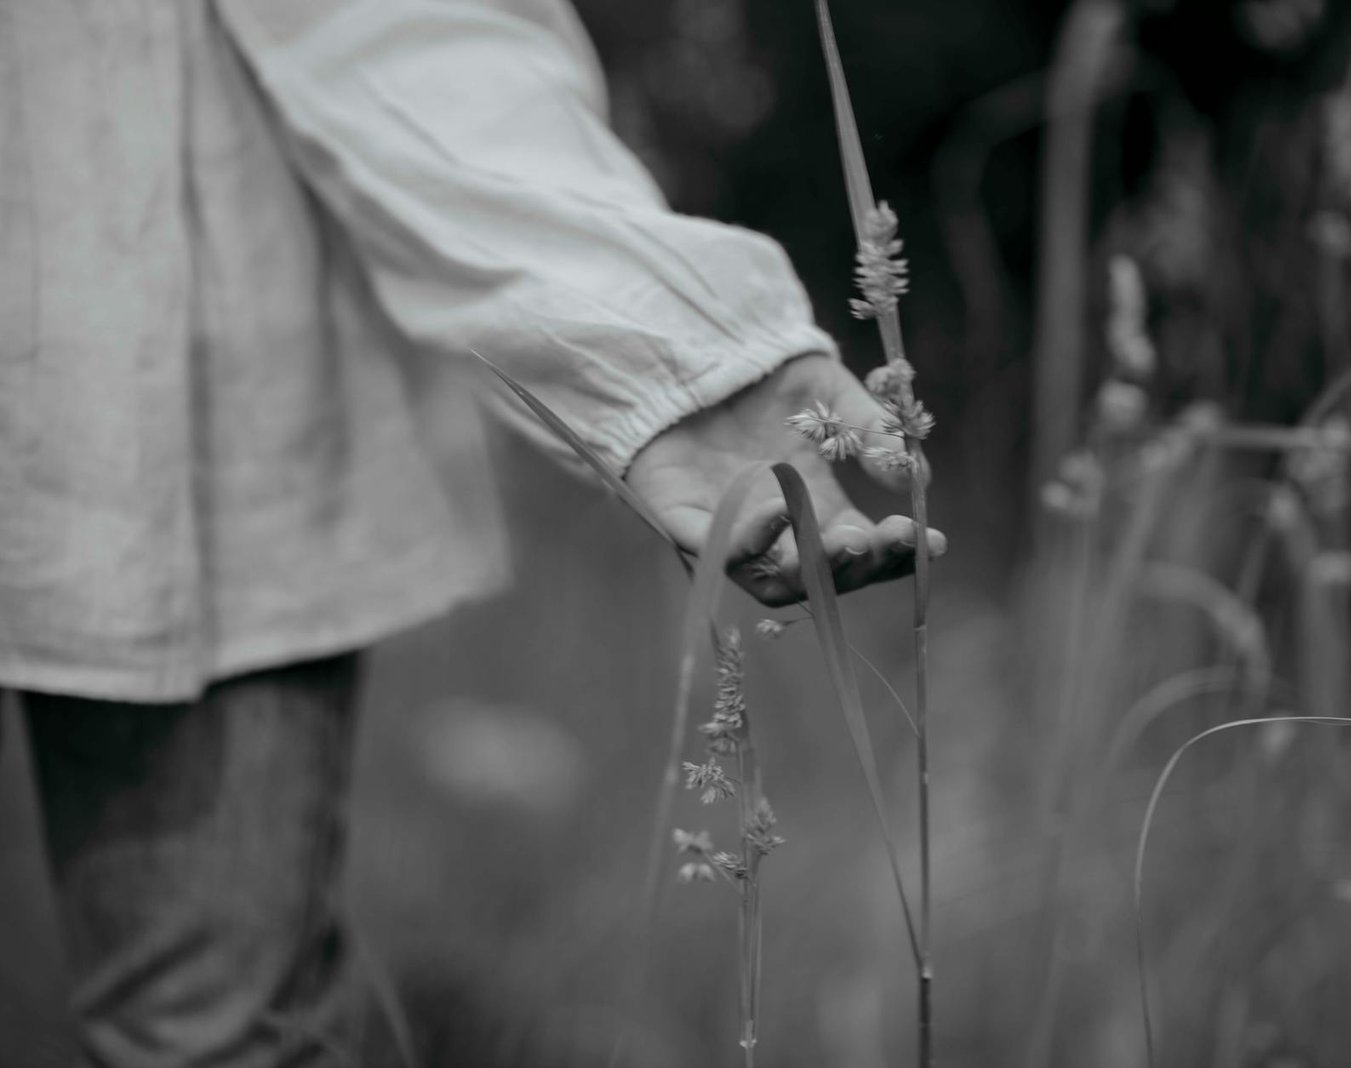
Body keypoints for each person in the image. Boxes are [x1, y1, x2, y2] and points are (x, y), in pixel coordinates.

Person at [0, 0, 946, 1063]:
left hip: (171, 409)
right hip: (156, 401)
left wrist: (680, 351)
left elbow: (405, 31)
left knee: (206, 1032)